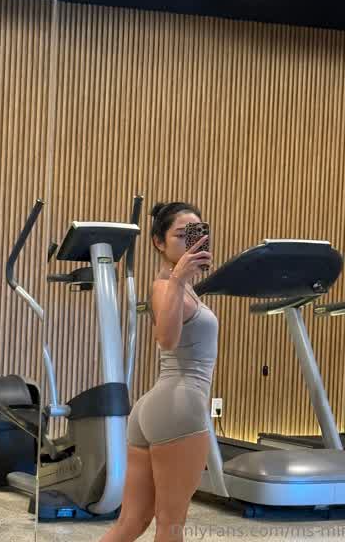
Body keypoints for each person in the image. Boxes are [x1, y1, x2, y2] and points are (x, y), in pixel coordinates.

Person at [99, 202, 218, 542]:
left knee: (130, 523)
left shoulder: (181, 287)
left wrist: (183, 279)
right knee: (171, 525)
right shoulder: (167, 285)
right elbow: (166, 339)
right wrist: (179, 277)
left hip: (155, 407)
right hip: (180, 406)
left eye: (196, 234)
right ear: (158, 242)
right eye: (180, 235)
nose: (190, 242)